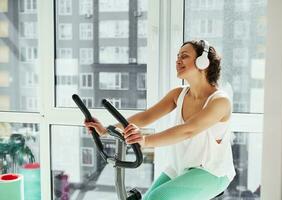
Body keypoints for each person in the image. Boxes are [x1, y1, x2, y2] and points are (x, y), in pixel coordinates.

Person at [84, 40, 236, 200]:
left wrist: (145, 141)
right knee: (148, 198)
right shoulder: (179, 94)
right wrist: (106, 130)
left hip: (212, 172)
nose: (178, 60)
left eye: (184, 56)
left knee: (158, 197)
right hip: (181, 167)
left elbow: (188, 130)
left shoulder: (220, 101)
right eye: (177, 56)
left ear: (202, 62)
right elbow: (145, 117)